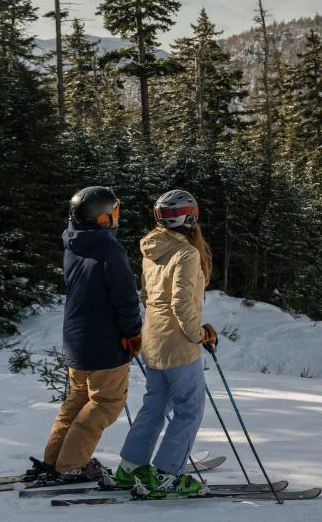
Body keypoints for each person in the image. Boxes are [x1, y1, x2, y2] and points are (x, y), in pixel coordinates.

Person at [26, 186, 142, 485]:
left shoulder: (75, 243)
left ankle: (54, 461)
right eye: (114, 212)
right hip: (103, 340)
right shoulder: (107, 248)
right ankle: (72, 465)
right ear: (101, 218)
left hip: (77, 338)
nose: (118, 217)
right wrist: (132, 332)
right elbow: (125, 296)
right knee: (105, 402)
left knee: (77, 401)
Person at [115, 189, 218, 498]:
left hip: (154, 339)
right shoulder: (186, 253)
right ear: (191, 216)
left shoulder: (152, 247)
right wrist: (200, 335)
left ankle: (130, 467)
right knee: (190, 409)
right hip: (178, 343)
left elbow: (150, 297)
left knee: (155, 405)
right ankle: (166, 474)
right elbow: (182, 306)